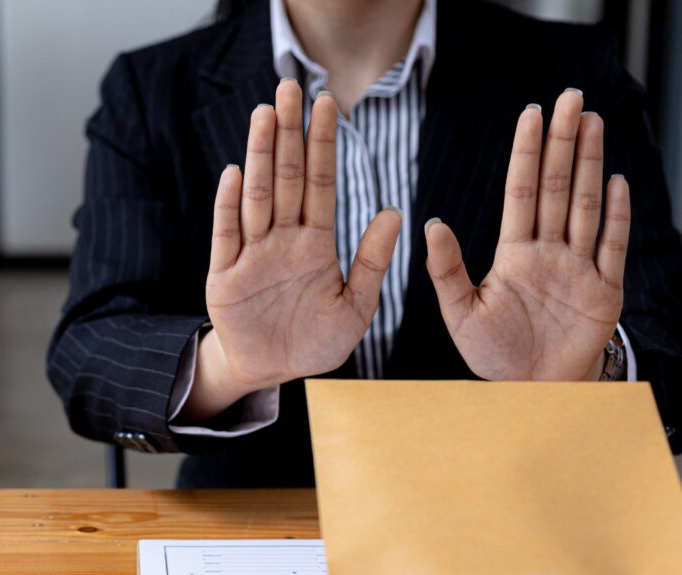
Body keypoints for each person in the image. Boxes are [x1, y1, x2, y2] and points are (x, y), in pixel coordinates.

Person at [46, 0, 682, 488]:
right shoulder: (151, 89)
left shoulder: (575, 72)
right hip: (259, 542)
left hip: (510, 537)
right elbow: (90, 351)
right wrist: (229, 363)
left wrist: (590, 373)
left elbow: (669, 348)